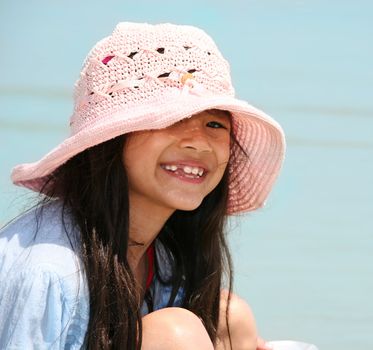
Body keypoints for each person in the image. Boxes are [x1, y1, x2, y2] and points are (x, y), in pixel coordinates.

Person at [0, 22, 285, 350]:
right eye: (171, 120)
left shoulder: (160, 256)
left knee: (230, 319)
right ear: (110, 141)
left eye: (214, 123)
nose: (198, 143)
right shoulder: (50, 271)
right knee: (175, 335)